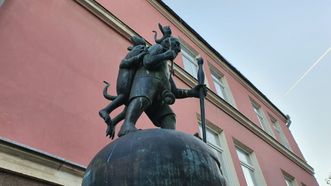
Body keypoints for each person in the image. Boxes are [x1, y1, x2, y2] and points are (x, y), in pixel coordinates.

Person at [118, 36, 205, 137]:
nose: (179, 49)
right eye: (176, 44)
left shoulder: (166, 67)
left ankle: (170, 137)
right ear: (167, 42)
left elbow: (174, 91)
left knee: (168, 116)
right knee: (142, 99)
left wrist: (192, 92)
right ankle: (127, 126)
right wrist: (165, 55)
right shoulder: (158, 47)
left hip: (157, 96)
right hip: (145, 85)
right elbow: (147, 61)